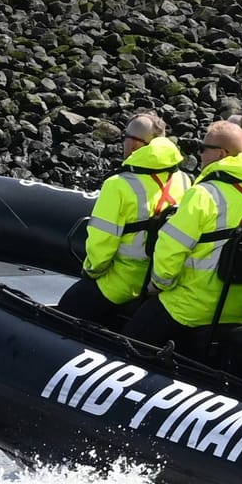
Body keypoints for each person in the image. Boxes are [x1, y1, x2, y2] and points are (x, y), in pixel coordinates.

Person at [123, 121, 242, 351]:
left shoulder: (204, 193)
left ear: (221, 153)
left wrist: (157, 285)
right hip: (240, 308)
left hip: (191, 305)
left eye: (203, 147)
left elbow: (171, 247)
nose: (198, 153)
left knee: (128, 340)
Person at [55, 113, 190, 329]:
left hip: (123, 281)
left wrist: (91, 272)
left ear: (136, 145)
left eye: (126, 136)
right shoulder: (183, 179)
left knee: (65, 310)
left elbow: (102, 244)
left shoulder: (117, 185)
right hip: (158, 281)